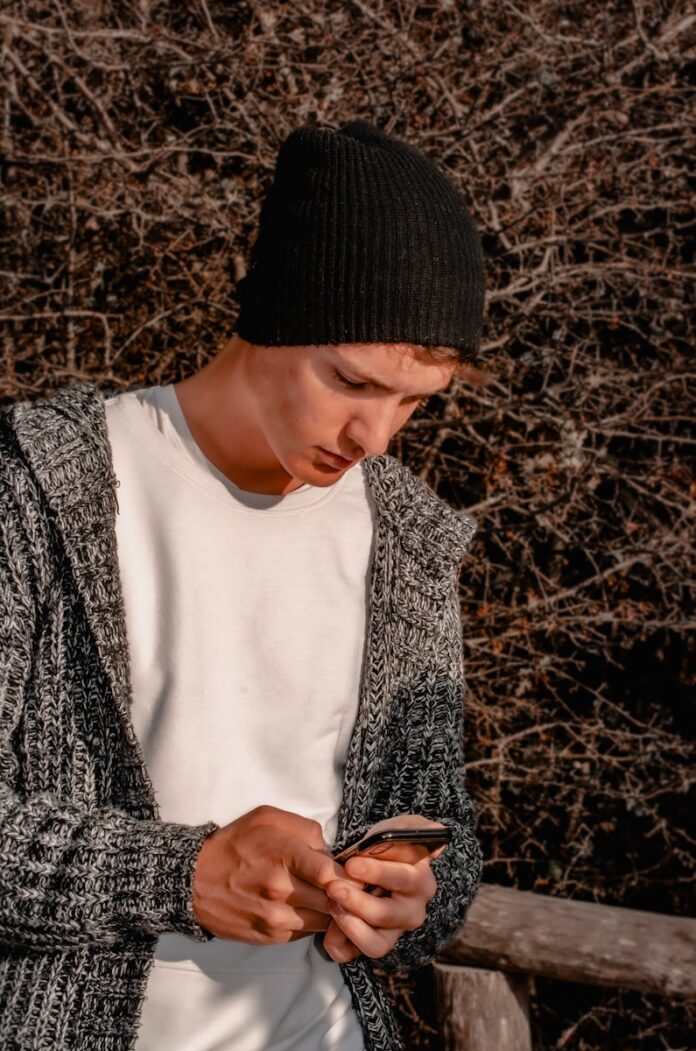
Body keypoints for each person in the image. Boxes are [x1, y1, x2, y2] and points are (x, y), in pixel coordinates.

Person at [0, 119, 485, 1050]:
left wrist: (413, 896)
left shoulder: (410, 543)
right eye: (350, 381)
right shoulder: (37, 486)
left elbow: (444, 837)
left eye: (415, 403)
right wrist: (175, 877)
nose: (375, 438)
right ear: (272, 318)